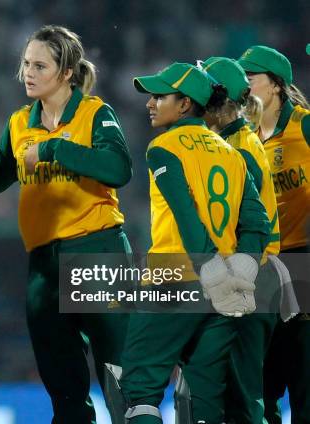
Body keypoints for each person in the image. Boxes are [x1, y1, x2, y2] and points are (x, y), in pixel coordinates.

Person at [0, 25, 133, 423]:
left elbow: (118, 168)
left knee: (120, 382)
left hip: (96, 251)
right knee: (63, 387)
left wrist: (52, 148)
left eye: (39, 65)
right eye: (26, 64)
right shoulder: (18, 124)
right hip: (44, 263)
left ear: (66, 73)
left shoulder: (95, 113)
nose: (28, 72)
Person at [119, 62, 270, 424]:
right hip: (225, 294)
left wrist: (212, 271)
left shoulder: (163, 148)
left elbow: (188, 219)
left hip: (173, 280)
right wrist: (240, 271)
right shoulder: (232, 155)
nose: (150, 103)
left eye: (160, 96)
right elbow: (258, 224)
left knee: (140, 390)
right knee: (204, 401)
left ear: (185, 104)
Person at [199, 56, 281, 424]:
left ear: (217, 101)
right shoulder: (236, 140)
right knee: (237, 396)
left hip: (249, 278)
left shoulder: (239, 150)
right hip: (248, 276)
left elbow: (239, 224)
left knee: (243, 400)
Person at [237, 44, 310, 424]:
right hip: (264, 261)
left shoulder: (304, 124)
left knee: (303, 370)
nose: (245, 85)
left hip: (303, 258)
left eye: (252, 78)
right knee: (265, 374)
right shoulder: (245, 135)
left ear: (276, 85)